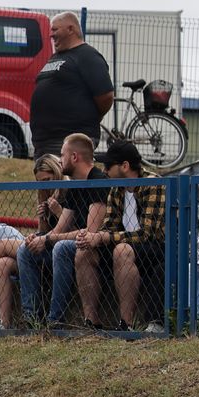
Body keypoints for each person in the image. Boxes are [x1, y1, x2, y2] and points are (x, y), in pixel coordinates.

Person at [69, 140, 165, 332]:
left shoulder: (153, 183)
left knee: (121, 250)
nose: (104, 170)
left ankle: (126, 323)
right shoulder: (116, 187)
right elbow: (109, 225)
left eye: (108, 165)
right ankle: (91, 321)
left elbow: (147, 233)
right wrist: (91, 237)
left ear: (125, 166)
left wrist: (104, 238)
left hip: (155, 247)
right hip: (124, 244)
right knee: (84, 252)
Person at [15, 133, 106, 325]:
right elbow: (60, 227)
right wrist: (39, 238)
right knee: (25, 250)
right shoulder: (74, 185)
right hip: (72, 244)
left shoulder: (98, 180)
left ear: (74, 157)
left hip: (96, 248)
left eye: (62, 155)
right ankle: (31, 318)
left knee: (61, 247)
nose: (60, 159)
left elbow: (90, 232)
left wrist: (47, 239)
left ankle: (56, 320)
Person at [0, 154, 63, 328]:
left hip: (57, 249)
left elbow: (71, 230)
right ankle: (4, 323)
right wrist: (42, 220)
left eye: (47, 180)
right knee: (1, 264)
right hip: (43, 249)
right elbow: (43, 232)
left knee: (1, 246)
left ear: (56, 173)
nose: (44, 185)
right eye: (40, 182)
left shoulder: (67, 191)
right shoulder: (44, 195)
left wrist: (58, 212)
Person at [29, 12, 113, 158]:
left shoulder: (87, 55)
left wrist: (91, 118)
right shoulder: (57, 56)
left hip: (70, 142)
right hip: (44, 143)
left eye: (55, 29)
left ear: (70, 29)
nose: (51, 35)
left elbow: (106, 96)